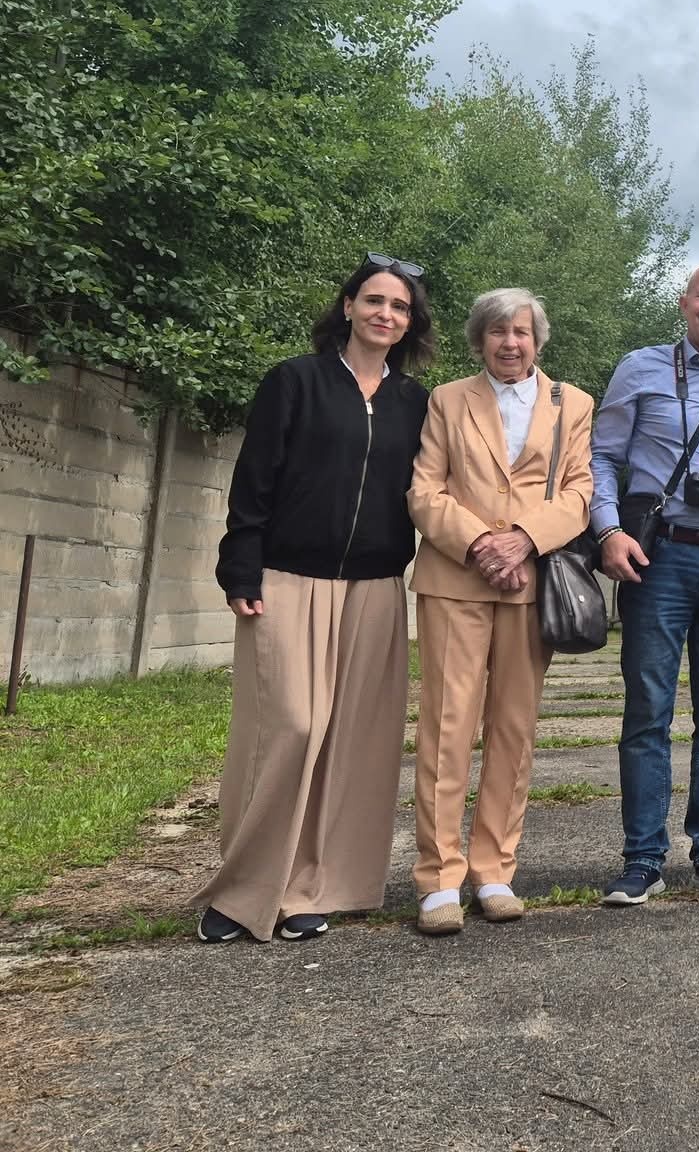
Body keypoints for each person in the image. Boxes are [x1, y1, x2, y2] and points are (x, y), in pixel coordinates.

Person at [198, 255, 434, 943]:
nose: (385, 314)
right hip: (287, 579)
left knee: (351, 743)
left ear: (409, 322)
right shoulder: (294, 382)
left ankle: (314, 887)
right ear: (348, 305)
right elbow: (254, 481)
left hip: (375, 588)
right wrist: (241, 568)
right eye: (374, 300)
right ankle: (243, 891)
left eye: (399, 306)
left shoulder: (414, 402)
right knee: (289, 728)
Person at [407, 288, 595, 934]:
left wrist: (522, 538)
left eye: (520, 332)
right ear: (479, 340)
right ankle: (438, 879)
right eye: (497, 332)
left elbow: (579, 493)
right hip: (455, 579)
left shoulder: (572, 404)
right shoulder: (447, 399)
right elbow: (424, 491)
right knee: (448, 727)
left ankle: (493, 871)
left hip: (529, 581)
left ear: (538, 340)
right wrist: (482, 542)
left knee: (513, 731)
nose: (509, 343)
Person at [590, 262, 699, 902]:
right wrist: (608, 530)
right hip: (658, 556)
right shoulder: (640, 367)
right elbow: (602, 457)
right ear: (685, 303)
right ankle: (642, 858)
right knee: (648, 711)